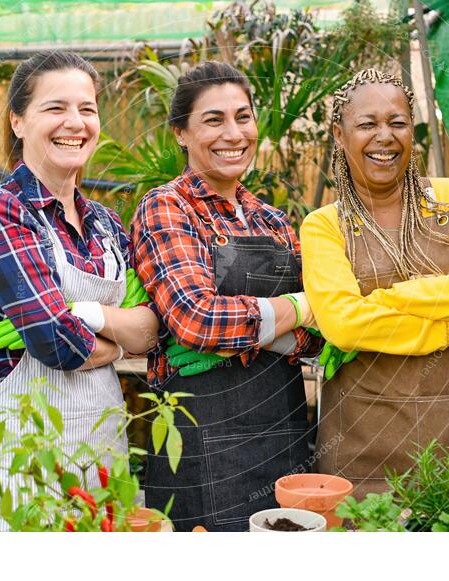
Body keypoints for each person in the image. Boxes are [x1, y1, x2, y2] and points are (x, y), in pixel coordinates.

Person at [0, 51, 157, 530]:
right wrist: (113, 337)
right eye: (55, 108)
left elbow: (152, 331)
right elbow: (55, 342)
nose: (76, 122)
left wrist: (79, 312)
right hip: (18, 460)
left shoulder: (106, 224)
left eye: (87, 109)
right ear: (18, 121)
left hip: (102, 451)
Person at [300, 69, 449, 499]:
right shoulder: (324, 227)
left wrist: (389, 300)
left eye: (397, 122)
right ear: (340, 137)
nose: (385, 136)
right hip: (365, 449)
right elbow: (345, 326)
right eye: (367, 124)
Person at [130, 61, 321, 531]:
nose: (233, 133)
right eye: (213, 120)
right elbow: (197, 319)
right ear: (180, 132)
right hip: (200, 440)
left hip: (286, 428)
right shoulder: (166, 206)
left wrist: (260, 331)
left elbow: (321, 336)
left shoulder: (272, 221)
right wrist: (296, 310)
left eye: (243, 116)